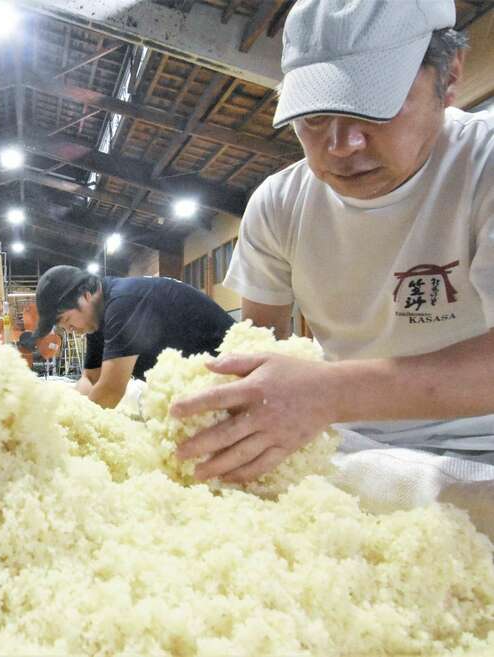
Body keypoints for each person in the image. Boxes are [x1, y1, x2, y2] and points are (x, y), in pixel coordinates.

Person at [171, 0, 494, 484]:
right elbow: (260, 347)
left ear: (449, 77)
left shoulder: (482, 166)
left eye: (374, 105)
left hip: (481, 446)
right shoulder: (279, 204)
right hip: (345, 444)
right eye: (315, 117)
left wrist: (329, 392)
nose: (342, 145)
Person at [33, 266, 234, 409]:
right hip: (201, 389)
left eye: (67, 320)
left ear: (86, 295)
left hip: (232, 373)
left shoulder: (123, 302)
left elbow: (111, 389)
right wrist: (73, 410)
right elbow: (90, 378)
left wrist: (75, 433)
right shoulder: (95, 322)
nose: (69, 330)